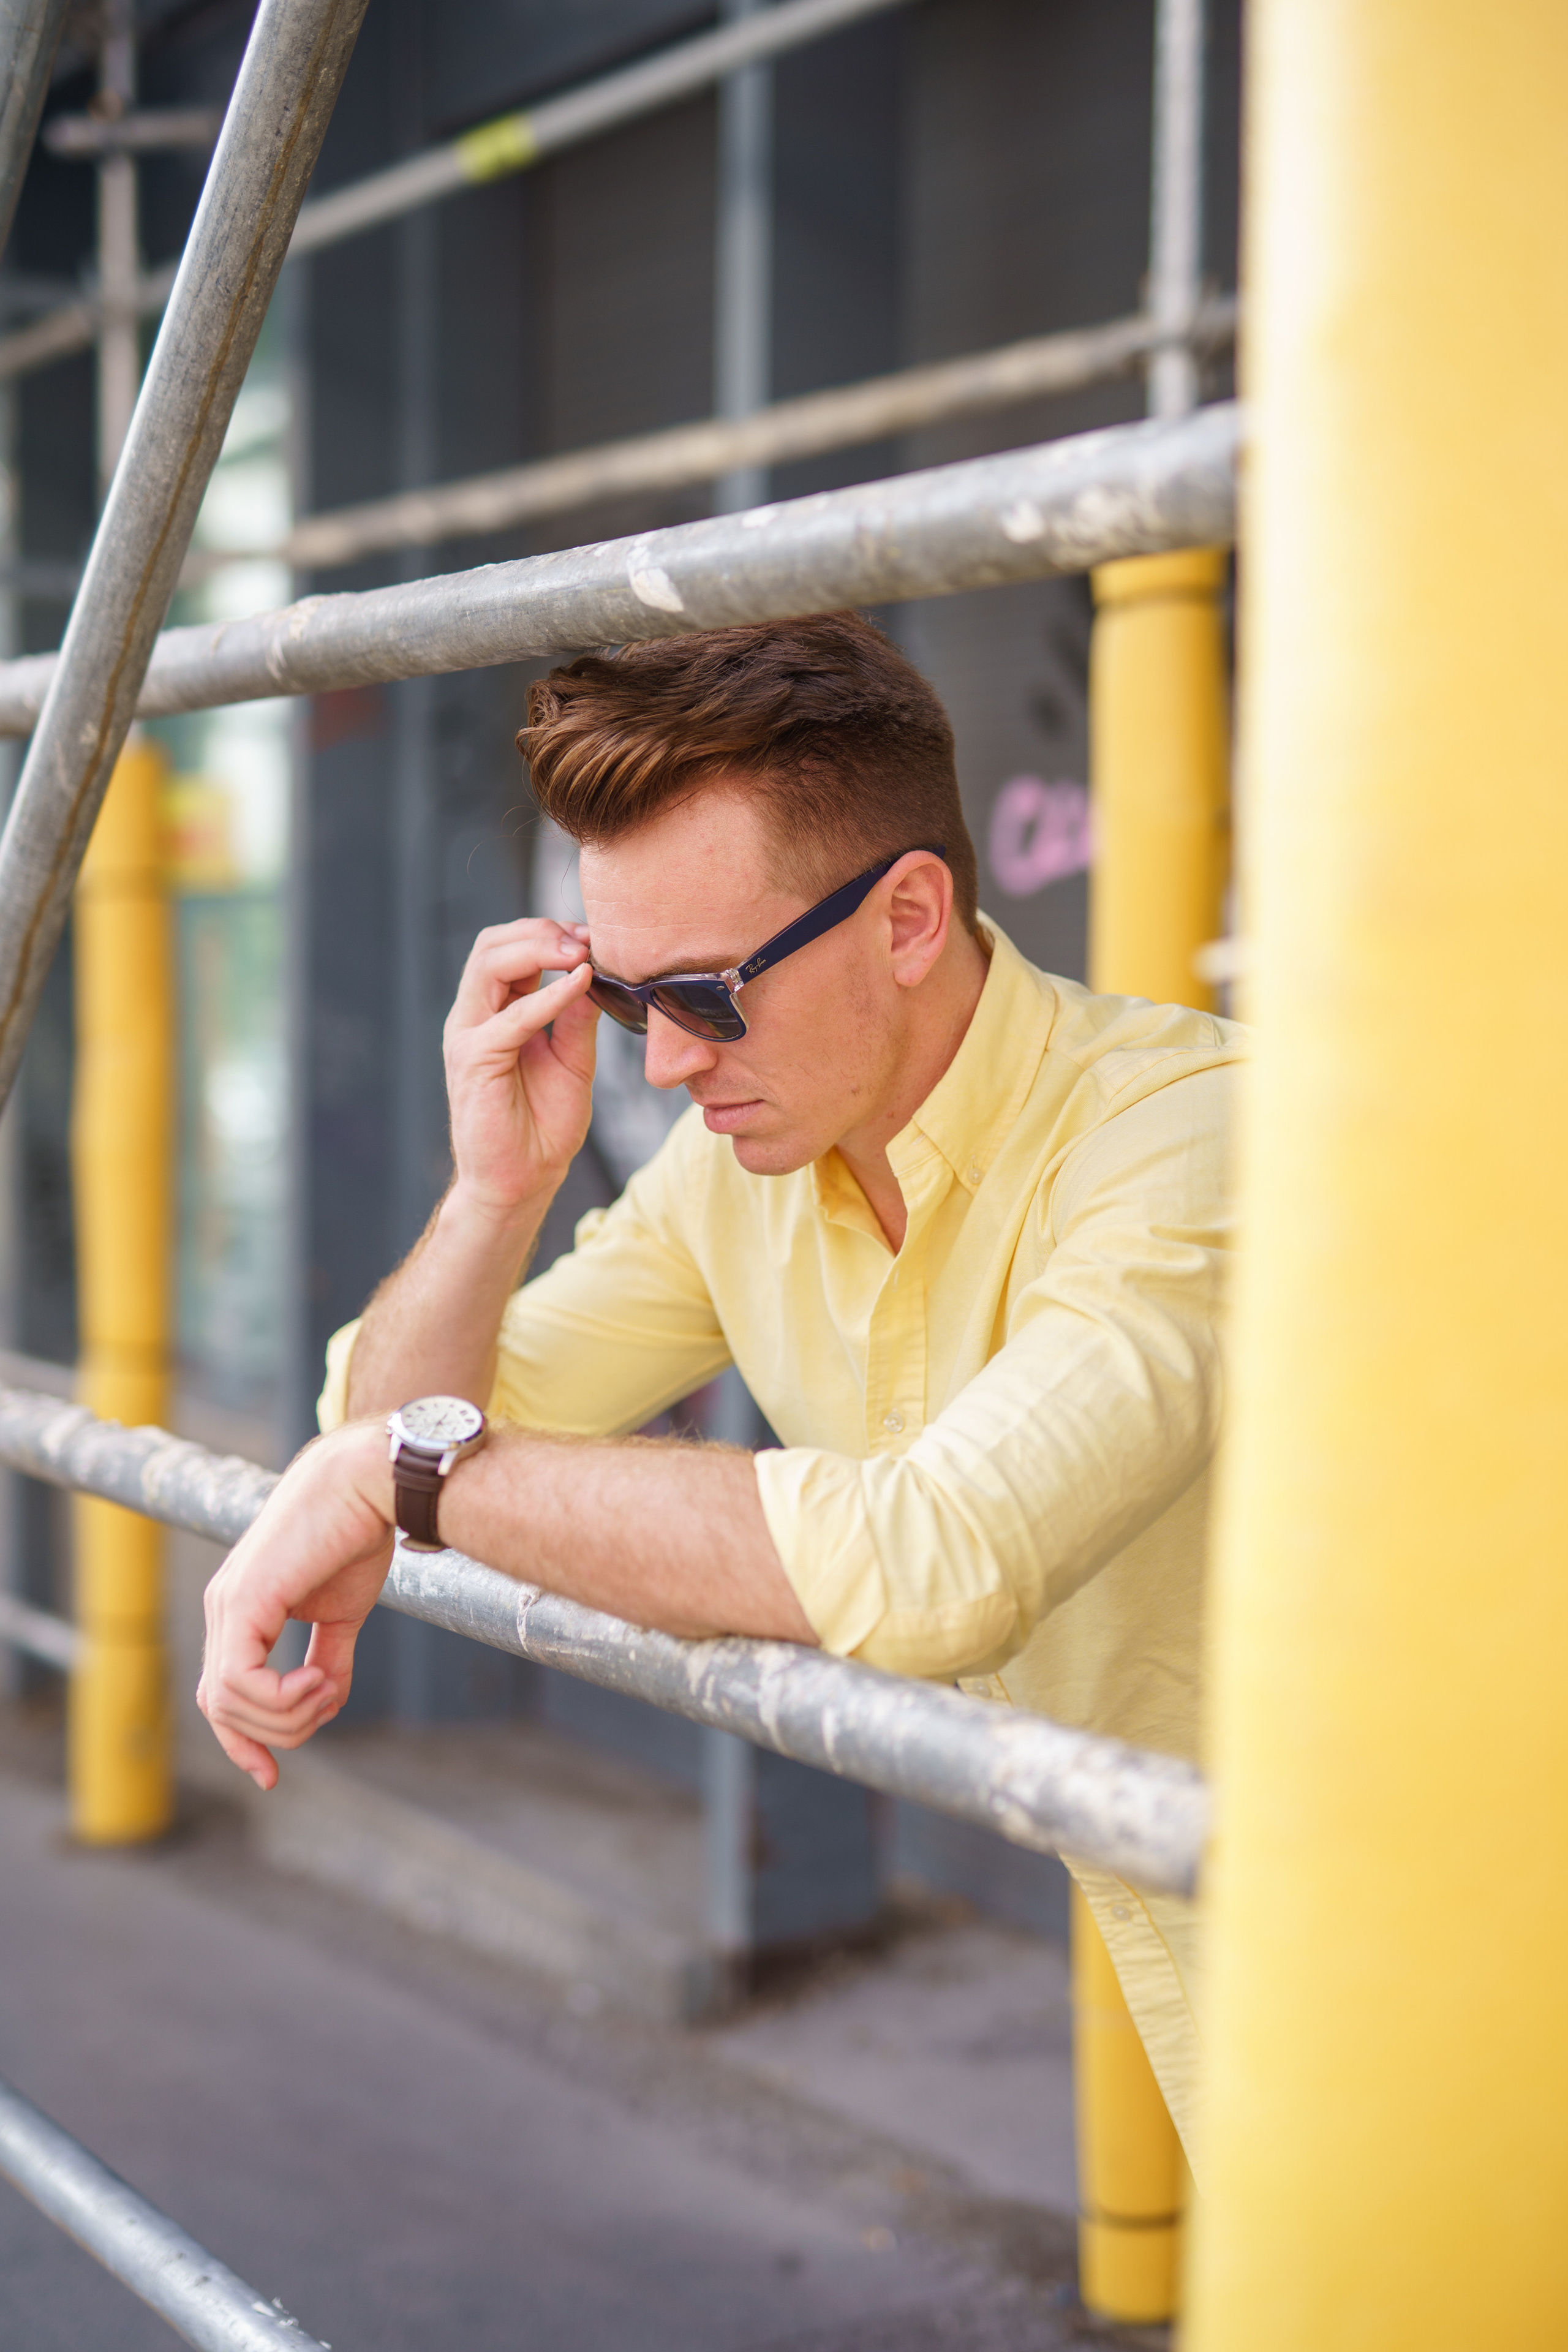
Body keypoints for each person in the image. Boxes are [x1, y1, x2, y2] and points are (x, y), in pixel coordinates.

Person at [198, 609, 1243, 2155]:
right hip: (1200, 1921)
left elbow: (937, 1560)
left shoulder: (1186, 1137)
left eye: (703, 995)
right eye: (624, 1003)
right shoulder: (738, 1172)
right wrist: (495, 1192)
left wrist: (393, 1480)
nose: (663, 1068)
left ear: (906, 918)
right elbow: (392, 1430)